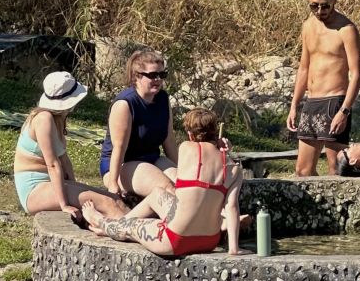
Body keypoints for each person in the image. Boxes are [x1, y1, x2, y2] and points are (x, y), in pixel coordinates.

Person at [82, 107, 243, 257]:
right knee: (158, 193)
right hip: (209, 241)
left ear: (190, 134)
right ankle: (222, 226)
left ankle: (102, 223)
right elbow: (232, 207)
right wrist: (233, 249)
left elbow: (199, 151)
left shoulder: (187, 148)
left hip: (176, 240)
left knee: (131, 228)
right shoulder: (234, 168)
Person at [13, 71, 128, 222]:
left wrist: (75, 186)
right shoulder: (44, 119)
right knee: (106, 203)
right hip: (35, 188)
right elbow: (53, 164)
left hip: (52, 183)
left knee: (114, 199)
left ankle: (146, 228)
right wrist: (64, 204)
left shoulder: (57, 118)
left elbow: (64, 159)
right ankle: (135, 233)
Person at [287, 0, 360, 176]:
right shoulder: (308, 26)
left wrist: (344, 110)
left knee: (335, 170)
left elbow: (356, 74)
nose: (320, 11)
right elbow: (304, 68)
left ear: (335, 0)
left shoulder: (347, 30)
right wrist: (294, 105)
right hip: (311, 101)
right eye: (314, 6)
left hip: (334, 101)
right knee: (302, 171)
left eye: (325, 6)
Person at [99, 48, 179, 200]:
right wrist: (113, 183)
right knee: (167, 188)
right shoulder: (125, 103)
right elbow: (119, 147)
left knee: (185, 185)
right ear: (137, 76)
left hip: (152, 158)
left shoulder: (162, 98)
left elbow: (168, 139)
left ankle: (219, 218)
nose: (158, 79)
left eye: (162, 75)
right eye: (152, 75)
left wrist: (180, 169)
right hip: (123, 164)